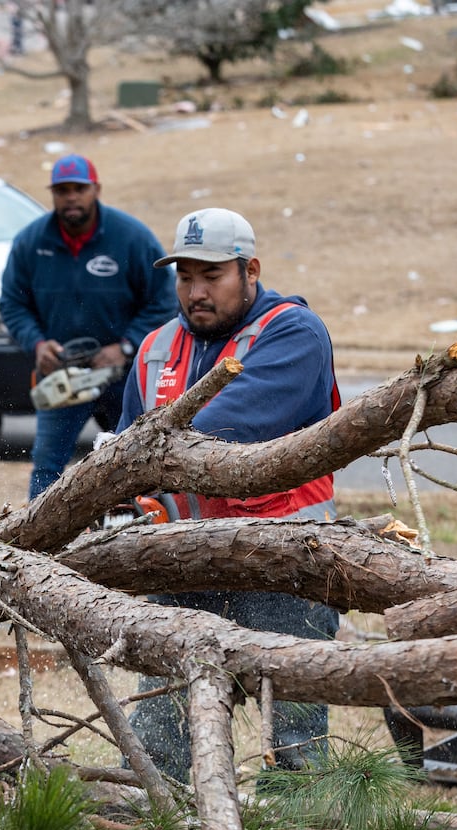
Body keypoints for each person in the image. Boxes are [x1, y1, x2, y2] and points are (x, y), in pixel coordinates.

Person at [116, 207, 342, 786]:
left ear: (251, 270)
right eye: (185, 277)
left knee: (295, 749)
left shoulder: (292, 334)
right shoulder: (154, 350)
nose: (196, 292)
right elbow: (121, 462)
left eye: (212, 276)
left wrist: (144, 459)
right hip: (183, 569)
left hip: (282, 565)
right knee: (160, 735)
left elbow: (226, 428)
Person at [0, 154, 177, 499]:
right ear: (52, 194)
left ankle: (140, 534)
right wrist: (36, 344)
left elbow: (164, 300)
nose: (70, 197)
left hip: (126, 375)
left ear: (95, 189)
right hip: (64, 376)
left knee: (137, 461)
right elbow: (12, 303)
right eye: (62, 190)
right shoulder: (30, 243)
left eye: (78, 189)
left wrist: (126, 346)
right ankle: (40, 545)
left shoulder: (131, 238)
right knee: (48, 466)